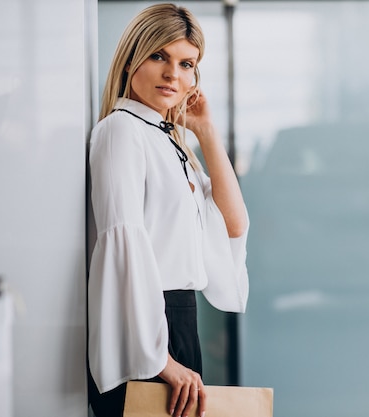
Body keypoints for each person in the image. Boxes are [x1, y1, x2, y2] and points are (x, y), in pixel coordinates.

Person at [87, 4, 249, 417]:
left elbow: (232, 225)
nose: (171, 74)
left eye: (186, 63)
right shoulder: (121, 130)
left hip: (176, 324)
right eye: (159, 55)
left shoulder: (167, 140)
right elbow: (123, 245)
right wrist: (157, 358)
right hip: (145, 332)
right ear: (131, 60)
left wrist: (206, 132)